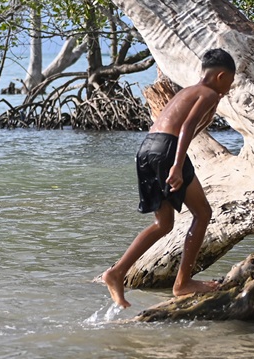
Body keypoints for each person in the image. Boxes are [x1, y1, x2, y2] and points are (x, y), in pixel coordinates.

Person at [98, 48, 237, 309]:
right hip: (168, 150)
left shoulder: (188, 91)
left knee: (163, 224)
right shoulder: (207, 93)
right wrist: (176, 166)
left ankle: (116, 272)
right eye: (230, 80)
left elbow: (190, 125)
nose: (230, 87)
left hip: (147, 148)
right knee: (203, 213)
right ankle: (183, 283)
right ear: (220, 76)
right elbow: (186, 128)